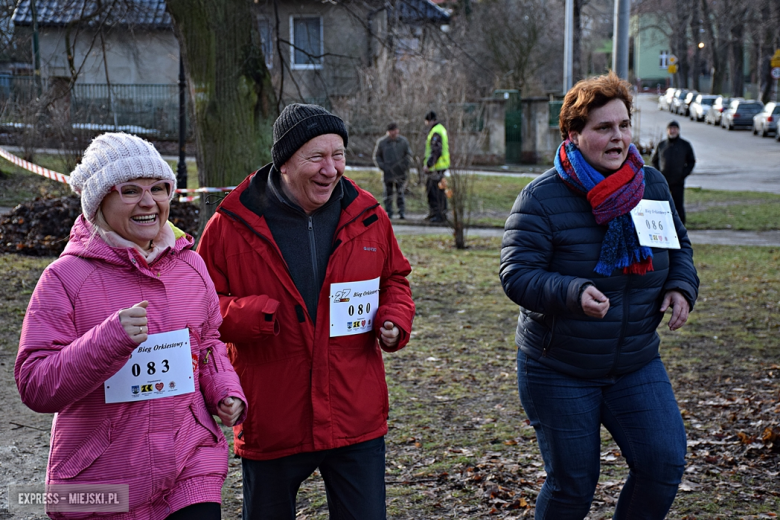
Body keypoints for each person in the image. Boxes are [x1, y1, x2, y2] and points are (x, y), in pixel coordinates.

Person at [196, 103, 415, 520]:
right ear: (284, 162)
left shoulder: (368, 215)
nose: (331, 169)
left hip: (354, 412)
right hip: (273, 412)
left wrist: (394, 317)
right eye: (316, 157)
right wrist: (252, 315)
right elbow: (199, 308)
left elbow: (395, 280)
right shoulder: (232, 224)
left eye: (339, 155)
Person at [15, 133, 247, 520]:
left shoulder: (191, 266)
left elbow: (208, 342)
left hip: (189, 463)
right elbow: (35, 385)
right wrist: (108, 340)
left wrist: (224, 388)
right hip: (102, 481)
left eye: (158, 188)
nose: (149, 201)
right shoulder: (65, 278)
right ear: (98, 203)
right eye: (130, 190)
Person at [499, 73, 699, 520]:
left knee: (663, 464)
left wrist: (680, 286)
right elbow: (516, 274)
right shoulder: (541, 198)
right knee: (573, 485)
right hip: (560, 366)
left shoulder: (650, 185)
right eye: (603, 128)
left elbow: (679, 249)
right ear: (574, 134)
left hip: (635, 360)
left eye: (624, 125)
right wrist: (571, 292)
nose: (618, 138)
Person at [650, 120, 696, 223]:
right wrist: (658, 175)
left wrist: (683, 174)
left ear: (678, 130)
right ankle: (663, 225)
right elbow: (654, 161)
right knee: (662, 206)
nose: (672, 131)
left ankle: (680, 229)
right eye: (670, 129)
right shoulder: (662, 145)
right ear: (667, 131)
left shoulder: (685, 145)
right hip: (663, 183)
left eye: (674, 129)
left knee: (678, 206)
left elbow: (691, 162)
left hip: (678, 182)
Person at [373, 121, 412, 219]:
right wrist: (383, 167)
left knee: (400, 193)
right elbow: (377, 156)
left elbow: (408, 155)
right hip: (388, 173)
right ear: (388, 132)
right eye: (391, 131)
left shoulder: (403, 142)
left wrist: (404, 166)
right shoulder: (382, 143)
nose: (393, 133)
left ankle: (401, 212)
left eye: (395, 131)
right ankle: (389, 212)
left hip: (400, 172)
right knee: (388, 194)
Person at [423, 111, 449, 223]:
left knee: (434, 192)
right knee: (440, 191)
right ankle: (440, 213)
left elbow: (436, 151)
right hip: (441, 166)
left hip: (436, 168)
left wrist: (429, 165)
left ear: (429, 120)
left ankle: (437, 214)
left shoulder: (436, 131)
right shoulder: (441, 129)